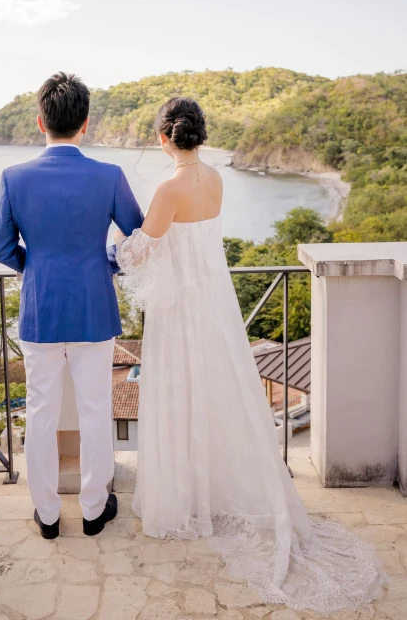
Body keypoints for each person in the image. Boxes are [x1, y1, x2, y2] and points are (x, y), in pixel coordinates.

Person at [115, 97, 385, 615]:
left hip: (181, 311)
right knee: (217, 389)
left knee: (181, 391)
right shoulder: (214, 178)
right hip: (212, 300)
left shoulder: (168, 188)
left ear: (165, 137)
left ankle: (186, 499)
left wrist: (118, 246)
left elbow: (143, 250)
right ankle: (211, 492)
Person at [0, 71, 143, 539]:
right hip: (94, 308)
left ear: (41, 122)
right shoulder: (108, 176)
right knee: (96, 410)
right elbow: (137, 240)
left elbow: (1, 248)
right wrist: (106, 262)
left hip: (40, 310)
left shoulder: (14, 178)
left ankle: (49, 515)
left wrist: (34, 267)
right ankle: (95, 509)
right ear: (86, 124)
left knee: (41, 413)